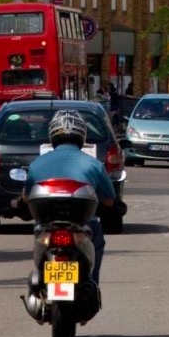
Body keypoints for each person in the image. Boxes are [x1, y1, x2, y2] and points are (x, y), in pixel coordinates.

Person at [22, 110, 118, 285]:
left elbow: (26, 197)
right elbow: (109, 200)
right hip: (85, 227)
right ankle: (92, 283)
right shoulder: (94, 164)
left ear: (52, 135)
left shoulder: (37, 164)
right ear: (82, 135)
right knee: (97, 242)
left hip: (45, 228)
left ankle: (41, 281)